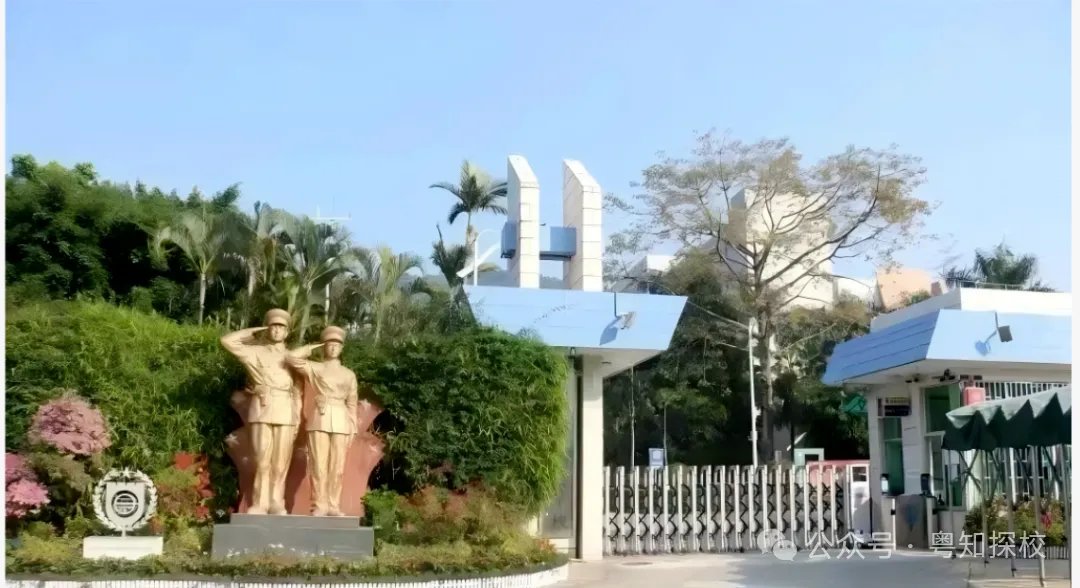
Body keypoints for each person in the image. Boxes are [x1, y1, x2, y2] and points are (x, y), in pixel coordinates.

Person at [220, 309, 302, 515]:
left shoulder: (292, 357)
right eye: (273, 326)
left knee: (281, 461)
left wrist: (297, 416)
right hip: (262, 406)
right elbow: (227, 341)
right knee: (262, 459)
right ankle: (259, 502)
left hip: (285, 407)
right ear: (268, 329)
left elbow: (298, 390)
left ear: (287, 332)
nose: (277, 330)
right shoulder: (255, 352)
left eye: (281, 327)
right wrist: (256, 330)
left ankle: (277, 501)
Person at [286, 325, 358, 516]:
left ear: (341, 348)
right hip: (320, 417)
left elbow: (352, 403)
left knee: (338, 467)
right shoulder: (316, 368)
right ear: (324, 347)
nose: (333, 348)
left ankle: (333, 505)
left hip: (341, 420)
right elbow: (291, 358)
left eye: (337, 345)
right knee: (318, 465)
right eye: (329, 344)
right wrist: (312, 347)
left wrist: (353, 427)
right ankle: (319, 504)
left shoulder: (349, 374)